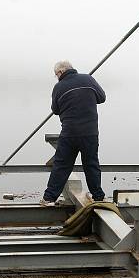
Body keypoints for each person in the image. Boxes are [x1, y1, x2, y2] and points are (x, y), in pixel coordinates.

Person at [41, 60, 106, 205]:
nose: (56, 77)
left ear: (60, 72)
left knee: (62, 165)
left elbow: (56, 110)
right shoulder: (88, 79)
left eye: (56, 74)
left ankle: (49, 198)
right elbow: (102, 98)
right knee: (91, 164)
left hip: (69, 133)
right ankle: (98, 197)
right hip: (90, 133)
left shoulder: (59, 87)